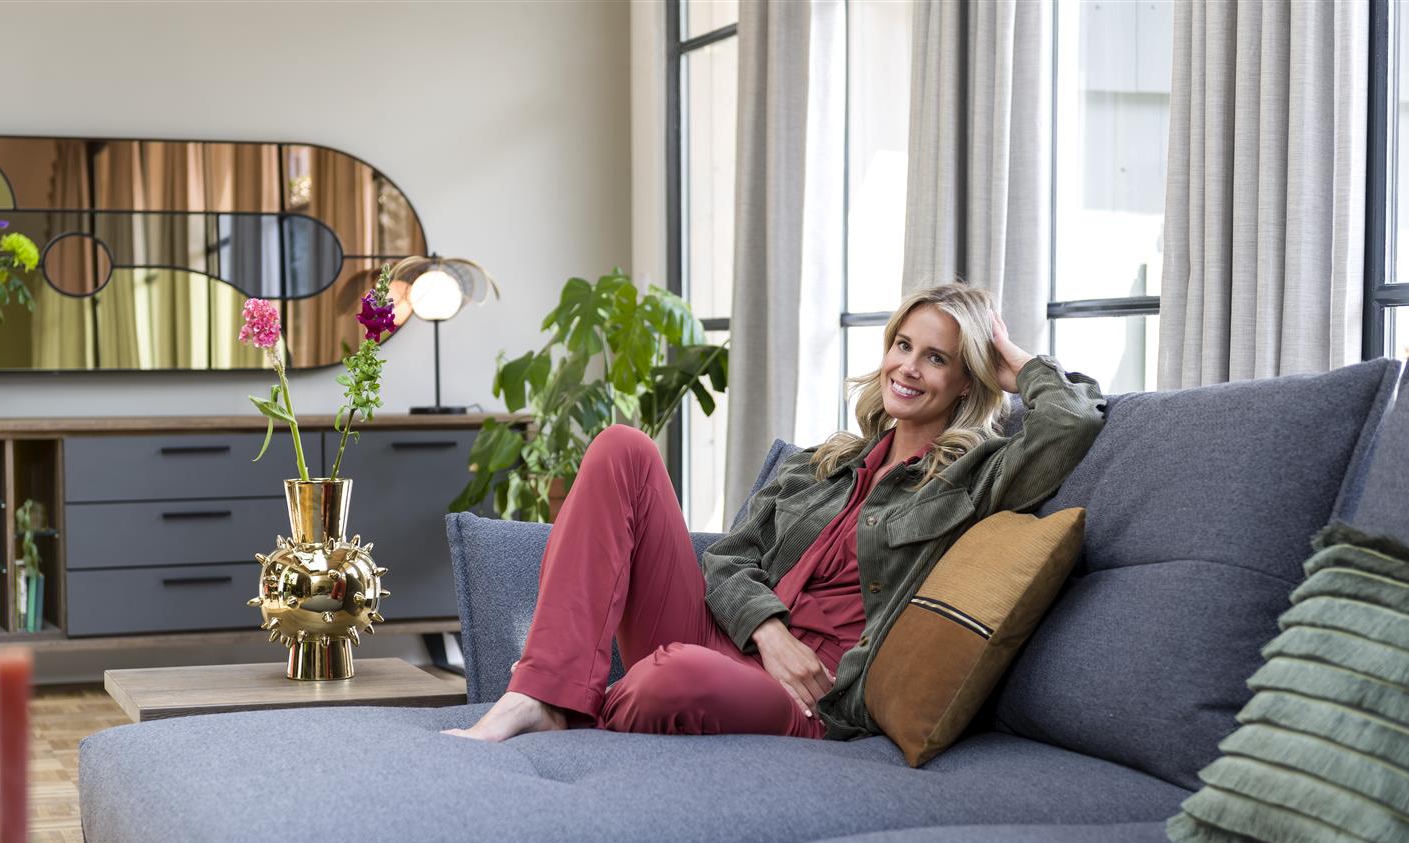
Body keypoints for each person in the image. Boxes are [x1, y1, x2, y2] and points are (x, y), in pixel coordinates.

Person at [445, 282, 1106, 743]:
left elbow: (1071, 422)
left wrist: (1018, 365)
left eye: (937, 357)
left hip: (811, 691)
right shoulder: (822, 463)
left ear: (968, 377)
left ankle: (572, 700)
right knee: (624, 446)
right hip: (732, 638)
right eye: (902, 344)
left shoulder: (971, 479)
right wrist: (768, 630)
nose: (908, 367)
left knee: (670, 674)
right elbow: (729, 557)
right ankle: (538, 696)